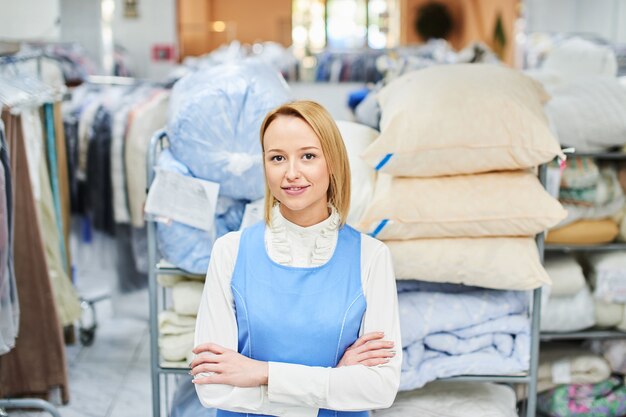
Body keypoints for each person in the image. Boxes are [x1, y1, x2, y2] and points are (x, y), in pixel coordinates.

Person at [191, 100, 401, 417]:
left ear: (331, 162)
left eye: (308, 156)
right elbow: (212, 385)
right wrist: (334, 382)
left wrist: (262, 373)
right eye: (277, 158)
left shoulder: (371, 257)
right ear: (265, 165)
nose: (292, 173)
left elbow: (380, 387)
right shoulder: (230, 251)